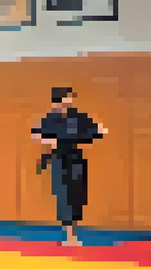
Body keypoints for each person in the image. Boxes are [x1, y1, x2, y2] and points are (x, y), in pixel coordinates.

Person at [32, 87, 106, 247]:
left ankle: (74, 233)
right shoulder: (50, 119)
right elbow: (37, 134)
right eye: (66, 98)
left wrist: (77, 136)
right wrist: (51, 140)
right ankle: (69, 234)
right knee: (63, 196)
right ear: (57, 101)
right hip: (59, 159)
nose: (69, 101)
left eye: (70, 98)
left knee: (77, 196)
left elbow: (99, 131)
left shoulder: (78, 118)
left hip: (75, 158)